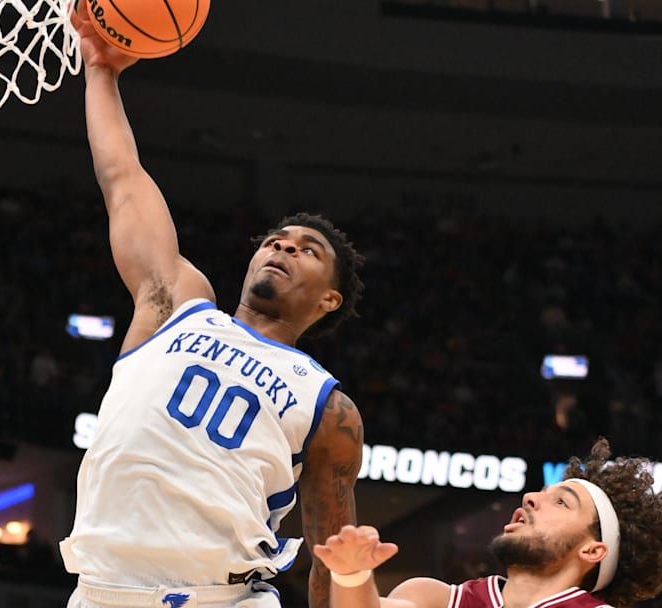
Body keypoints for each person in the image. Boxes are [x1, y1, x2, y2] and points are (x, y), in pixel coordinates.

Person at [59, 4, 367, 607]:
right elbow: (123, 181)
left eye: (307, 250)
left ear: (330, 299)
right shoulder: (176, 304)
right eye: (276, 240)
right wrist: (101, 73)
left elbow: (332, 557)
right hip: (101, 591)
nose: (283, 247)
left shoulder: (329, 408)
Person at [313, 438, 662, 608]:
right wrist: (352, 575)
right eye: (540, 492)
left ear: (593, 550)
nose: (529, 498)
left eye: (561, 502)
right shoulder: (433, 598)